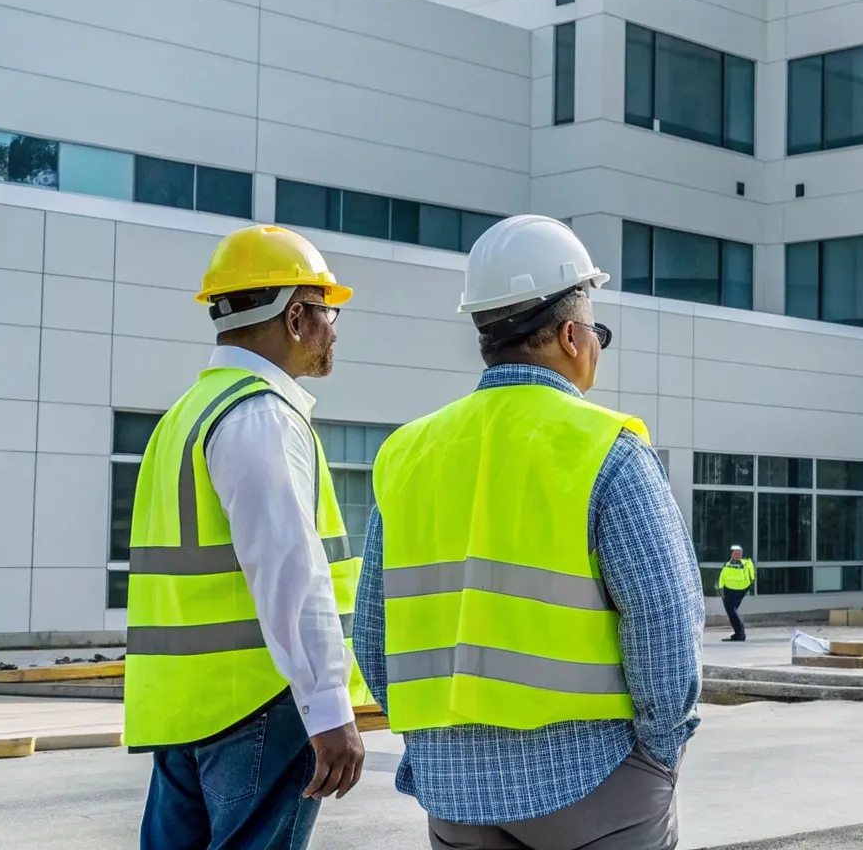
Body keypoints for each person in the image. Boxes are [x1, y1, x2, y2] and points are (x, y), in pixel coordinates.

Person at [355, 215, 703, 850]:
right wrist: (661, 751)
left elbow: (373, 639)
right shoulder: (609, 450)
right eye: (598, 331)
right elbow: (664, 624)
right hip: (594, 779)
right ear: (572, 336)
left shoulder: (406, 454)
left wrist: (436, 743)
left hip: (453, 789)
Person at [126, 225, 373, 849]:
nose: (333, 327)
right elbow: (291, 571)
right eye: (327, 310)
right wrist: (327, 707)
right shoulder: (260, 414)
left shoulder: (187, 415)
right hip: (261, 705)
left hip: (184, 711)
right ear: (295, 317)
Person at [718, 546, 756, 642]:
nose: (738, 555)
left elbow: (751, 577)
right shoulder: (727, 564)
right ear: (731, 554)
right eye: (735, 553)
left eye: (740, 553)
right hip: (728, 590)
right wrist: (721, 590)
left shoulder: (747, 563)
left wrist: (749, 588)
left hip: (740, 590)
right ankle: (738, 633)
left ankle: (741, 633)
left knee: (732, 611)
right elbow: (722, 576)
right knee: (731, 612)